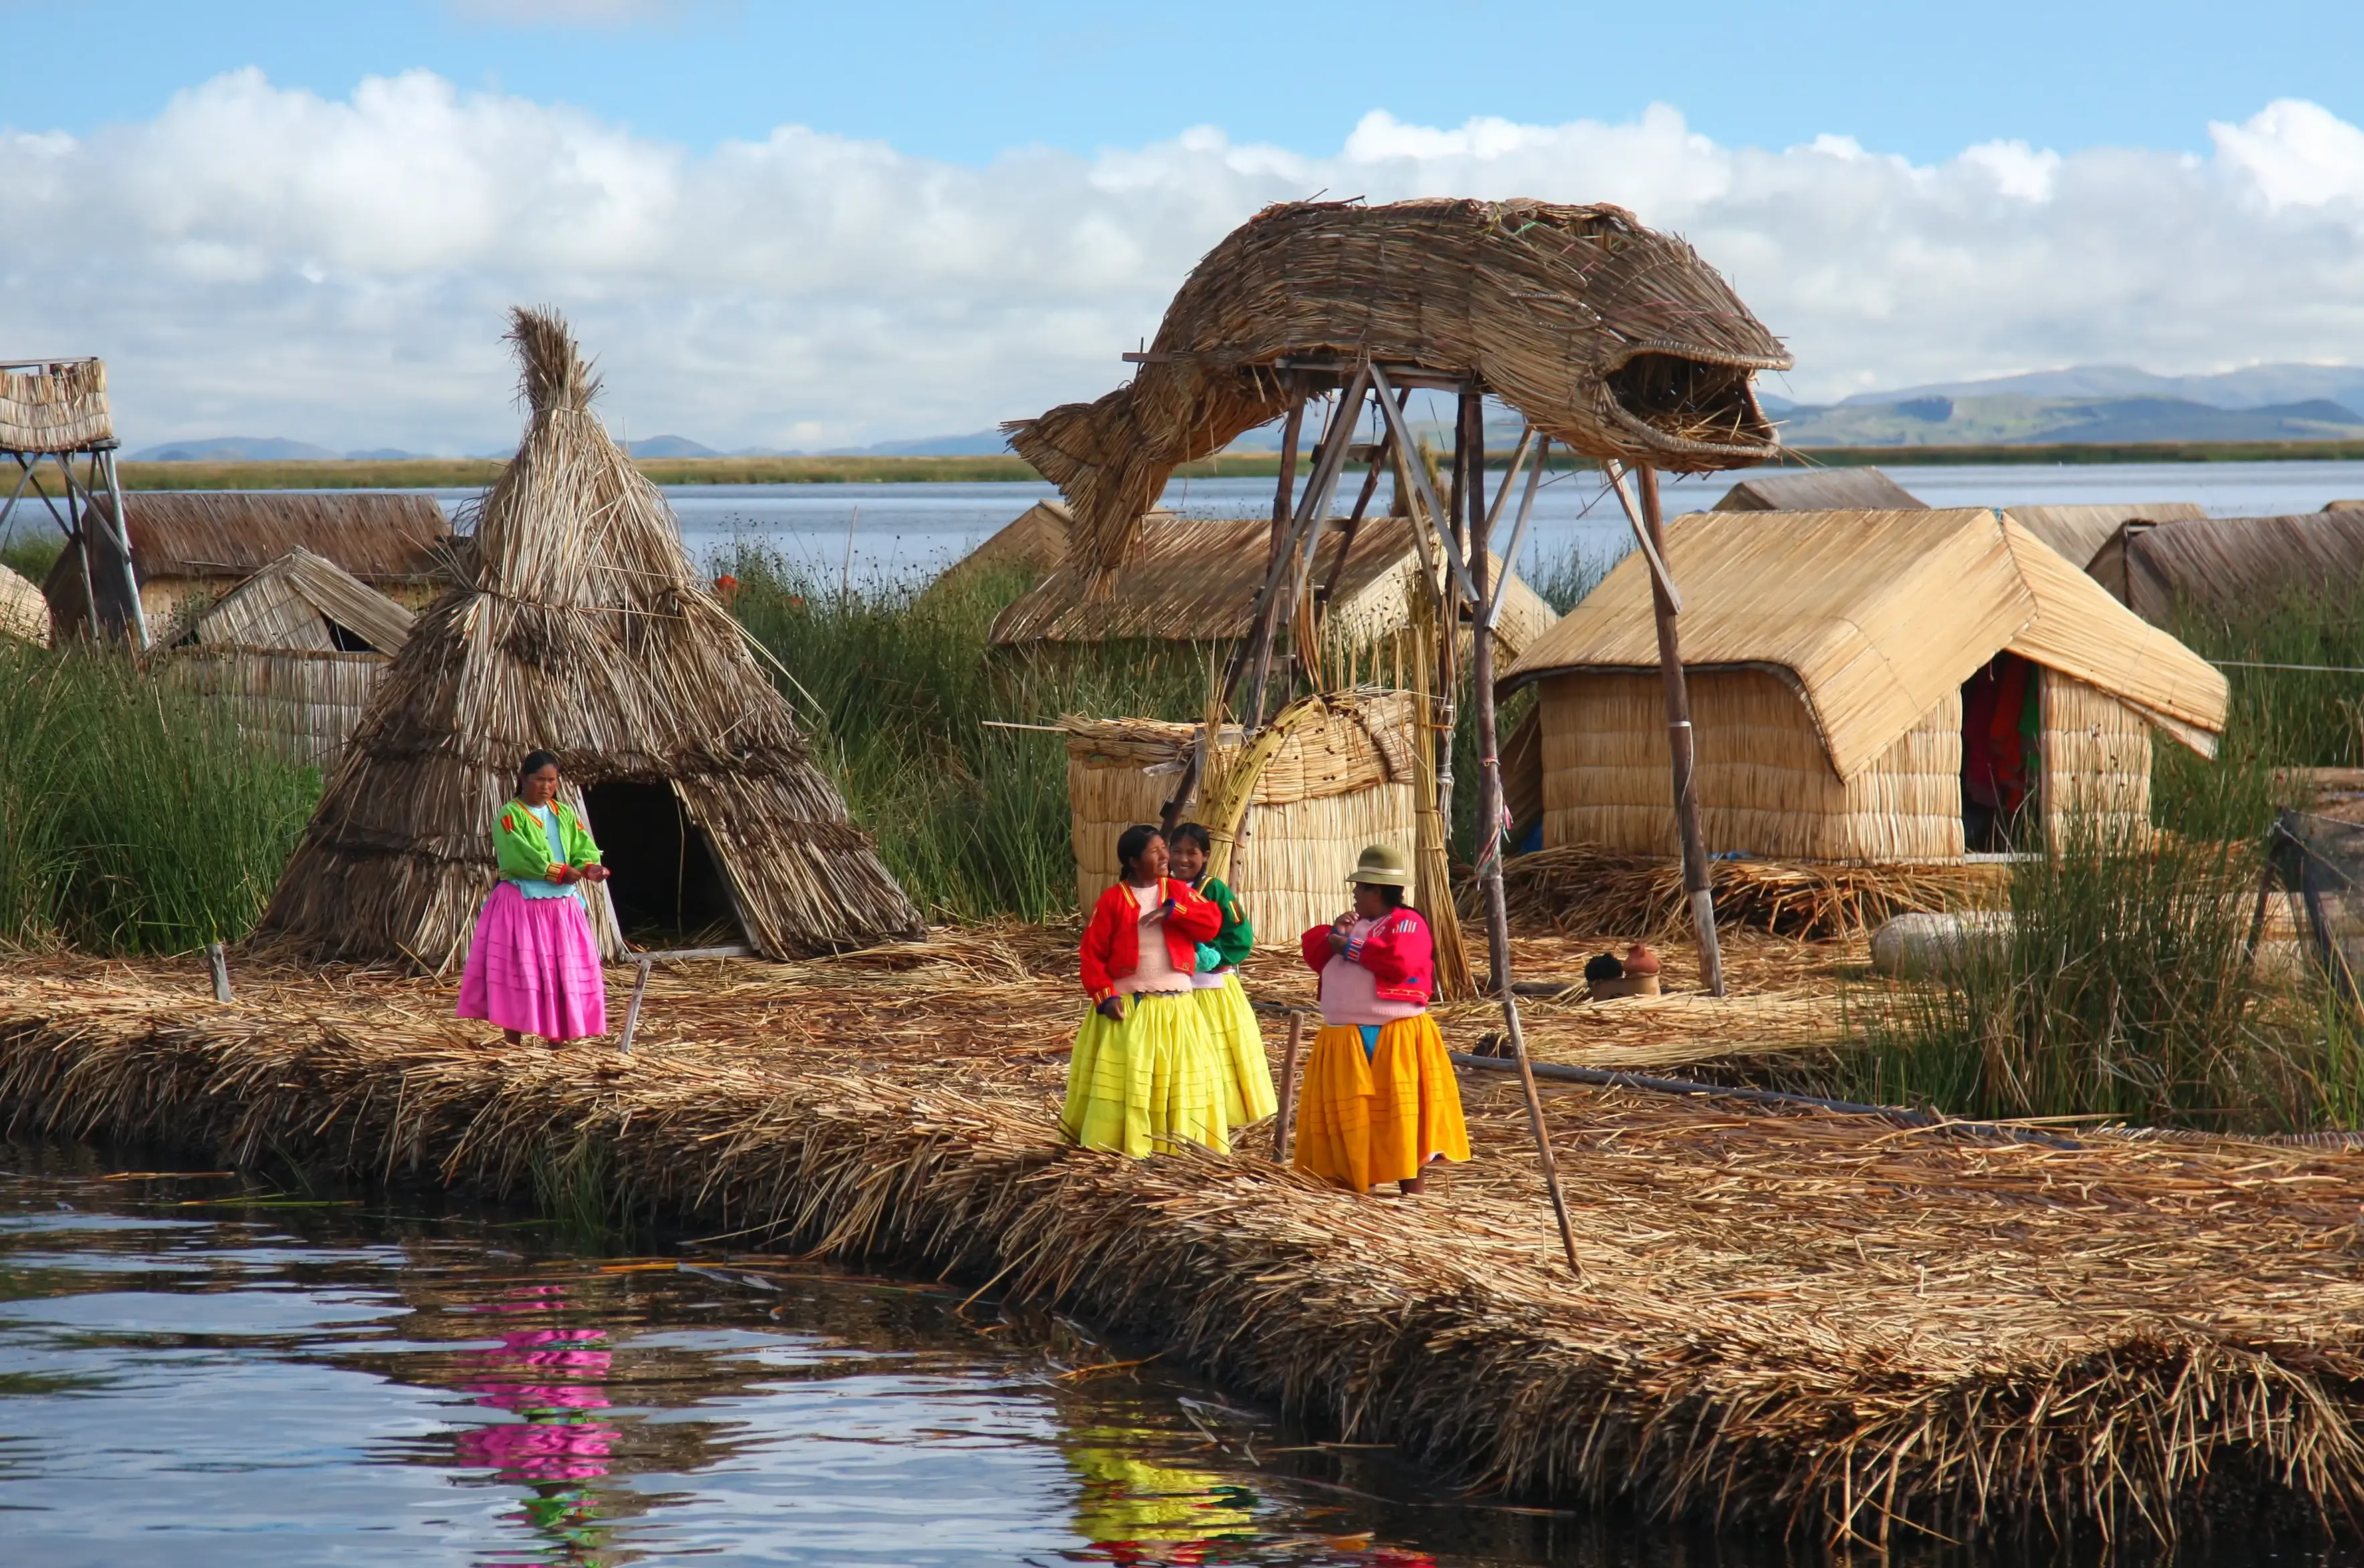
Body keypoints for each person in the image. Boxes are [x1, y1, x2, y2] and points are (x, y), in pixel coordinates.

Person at [1293, 843, 1471, 1196]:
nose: (1355, 895)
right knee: (1357, 1116)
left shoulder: (1408, 923)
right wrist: (1337, 934)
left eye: (1360, 888)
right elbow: (1313, 951)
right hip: (1345, 1038)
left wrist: (1350, 947)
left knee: (1402, 1115)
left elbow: (1400, 961)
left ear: (1377, 890)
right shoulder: (1353, 925)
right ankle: (1362, 1188)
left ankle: (1413, 1199)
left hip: (1397, 1034)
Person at [1063, 824, 1230, 1158]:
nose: (1166, 856)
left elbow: (1212, 922)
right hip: (1131, 1007)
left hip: (1177, 1007)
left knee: (1178, 1080)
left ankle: (1181, 1150)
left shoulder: (1178, 892)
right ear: (1133, 860)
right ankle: (1125, 1148)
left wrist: (1175, 911)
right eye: (1156, 851)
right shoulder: (1113, 901)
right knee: (1134, 1083)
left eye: (1163, 849)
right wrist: (1105, 997)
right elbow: (1091, 954)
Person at [458, 750, 613, 1046]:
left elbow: (582, 847)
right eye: (539, 779)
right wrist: (558, 872)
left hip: (562, 910)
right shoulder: (510, 816)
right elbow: (521, 856)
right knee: (520, 972)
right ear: (524, 779)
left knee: (560, 975)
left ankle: (557, 1044)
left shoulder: (564, 814)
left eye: (552, 780)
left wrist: (590, 867)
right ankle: (513, 1046)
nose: (546, 786)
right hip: (523, 905)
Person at [1166, 821, 1278, 1128]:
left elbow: (1239, 933)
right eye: (1177, 852)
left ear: (1206, 855)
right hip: (1172, 988)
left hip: (1210, 988)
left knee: (1215, 1052)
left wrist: (1213, 959)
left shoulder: (1214, 890)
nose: (1183, 860)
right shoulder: (1161, 888)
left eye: (1192, 853)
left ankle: (1221, 1116)